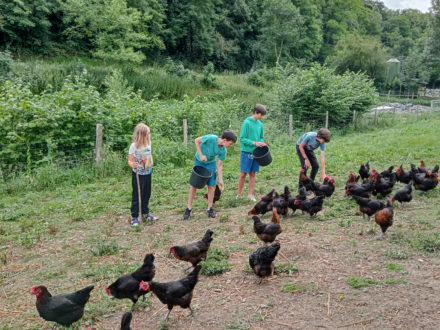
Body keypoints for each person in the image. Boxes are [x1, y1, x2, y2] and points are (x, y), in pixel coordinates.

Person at [183, 129, 237, 220]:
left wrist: (220, 180)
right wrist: (200, 155)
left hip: (211, 164)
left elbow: (219, 165)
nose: (230, 146)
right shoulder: (211, 138)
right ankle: (188, 208)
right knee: (194, 185)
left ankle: (210, 208)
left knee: (211, 186)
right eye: (230, 143)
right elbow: (197, 140)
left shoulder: (223, 150)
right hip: (199, 162)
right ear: (224, 140)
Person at [128, 123, 158, 227]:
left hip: (147, 173)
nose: (149, 135)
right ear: (142, 135)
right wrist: (133, 164)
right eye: (148, 133)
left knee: (146, 193)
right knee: (137, 195)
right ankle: (135, 217)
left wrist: (152, 161)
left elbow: (150, 154)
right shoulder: (134, 146)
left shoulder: (149, 143)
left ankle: (146, 214)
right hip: (138, 174)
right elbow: (130, 161)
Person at [237, 104, 267, 202]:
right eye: (261, 115)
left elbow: (261, 137)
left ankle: (250, 194)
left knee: (253, 173)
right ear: (255, 112)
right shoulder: (246, 123)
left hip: (256, 152)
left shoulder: (260, 124)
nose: (262, 117)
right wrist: (254, 143)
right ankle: (239, 194)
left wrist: (261, 142)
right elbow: (242, 139)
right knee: (243, 174)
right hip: (246, 152)